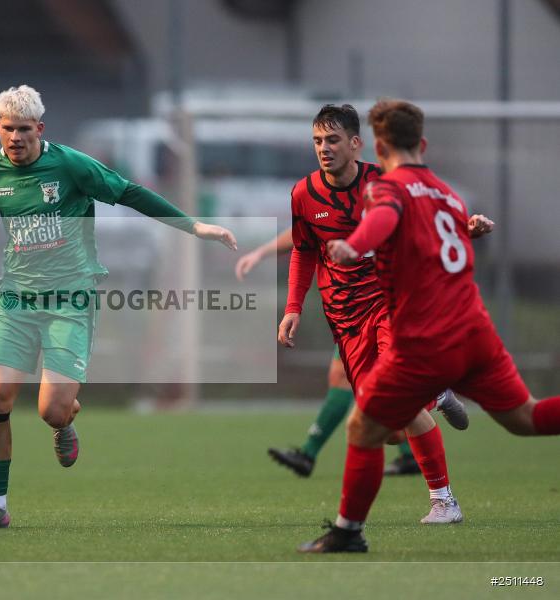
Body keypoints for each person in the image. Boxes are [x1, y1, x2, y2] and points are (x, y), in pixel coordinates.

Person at [0, 85, 237, 529]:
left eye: (24, 129)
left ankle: (66, 421)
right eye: (8, 129)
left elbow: (131, 192)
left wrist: (193, 226)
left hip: (70, 300)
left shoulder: (70, 165)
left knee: (50, 410)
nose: (16, 137)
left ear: (39, 128)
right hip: (16, 298)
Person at [300, 98, 560, 553]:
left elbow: (383, 217)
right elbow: (433, 235)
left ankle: (347, 533)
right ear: (422, 144)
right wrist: (468, 228)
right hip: (475, 330)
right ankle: (437, 467)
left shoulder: (387, 186)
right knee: (526, 418)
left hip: (427, 338)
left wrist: (353, 244)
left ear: (377, 148)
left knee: (364, 428)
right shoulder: (446, 192)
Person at [276, 104, 473, 527]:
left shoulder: (383, 183)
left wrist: (465, 227)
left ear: (355, 143)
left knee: (396, 396)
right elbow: (303, 253)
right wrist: (293, 308)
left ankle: (443, 500)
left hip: (390, 303)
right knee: (388, 422)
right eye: (316, 141)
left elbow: (428, 221)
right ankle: (434, 396)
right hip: (344, 320)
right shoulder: (303, 195)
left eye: (332, 140)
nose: (323, 149)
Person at [237, 229, 462, 477]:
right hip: (350, 317)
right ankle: (420, 428)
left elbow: (422, 222)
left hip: (386, 309)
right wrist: (262, 253)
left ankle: (310, 454)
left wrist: (462, 229)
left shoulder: (377, 198)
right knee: (388, 427)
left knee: (366, 390)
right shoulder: (320, 199)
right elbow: (303, 231)